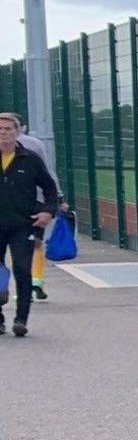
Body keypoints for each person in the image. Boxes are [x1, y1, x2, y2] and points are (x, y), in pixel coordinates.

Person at [0, 112, 61, 336]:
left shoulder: (30, 158)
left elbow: (50, 189)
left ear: (17, 132)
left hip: (23, 224)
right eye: (0, 129)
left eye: (8, 129)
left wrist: (48, 211)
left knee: (23, 270)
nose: (3, 133)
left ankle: (21, 319)